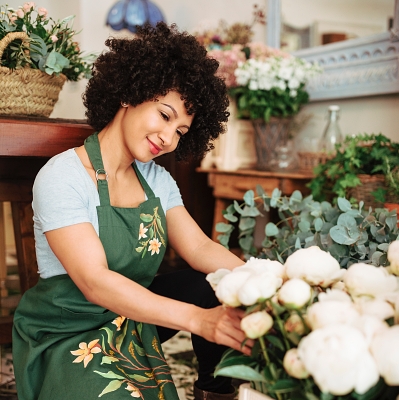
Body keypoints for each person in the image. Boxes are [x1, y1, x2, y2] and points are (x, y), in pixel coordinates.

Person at [12, 22, 253, 400]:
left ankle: (215, 391)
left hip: (133, 318)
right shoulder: (63, 176)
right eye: (165, 115)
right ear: (130, 94)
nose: (169, 138)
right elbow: (94, 282)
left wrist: (268, 281)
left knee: (217, 283)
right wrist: (198, 321)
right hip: (69, 331)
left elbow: (201, 249)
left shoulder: (157, 181)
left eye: (182, 131)